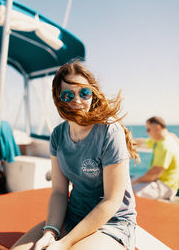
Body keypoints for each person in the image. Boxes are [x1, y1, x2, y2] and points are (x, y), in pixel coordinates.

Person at [11, 61, 139, 250]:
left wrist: (65, 243)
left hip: (113, 222)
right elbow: (59, 192)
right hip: (73, 215)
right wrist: (50, 232)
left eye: (84, 93)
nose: (77, 100)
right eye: (68, 95)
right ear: (59, 99)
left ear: (92, 94)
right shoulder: (57, 135)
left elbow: (112, 200)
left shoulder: (110, 131)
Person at [132, 116, 179, 200]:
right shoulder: (163, 139)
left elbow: (155, 172)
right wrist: (128, 141)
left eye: (148, 130)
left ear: (157, 127)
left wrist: (136, 181)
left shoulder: (165, 146)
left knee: (130, 192)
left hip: (166, 186)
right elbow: (143, 141)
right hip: (158, 181)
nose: (147, 133)